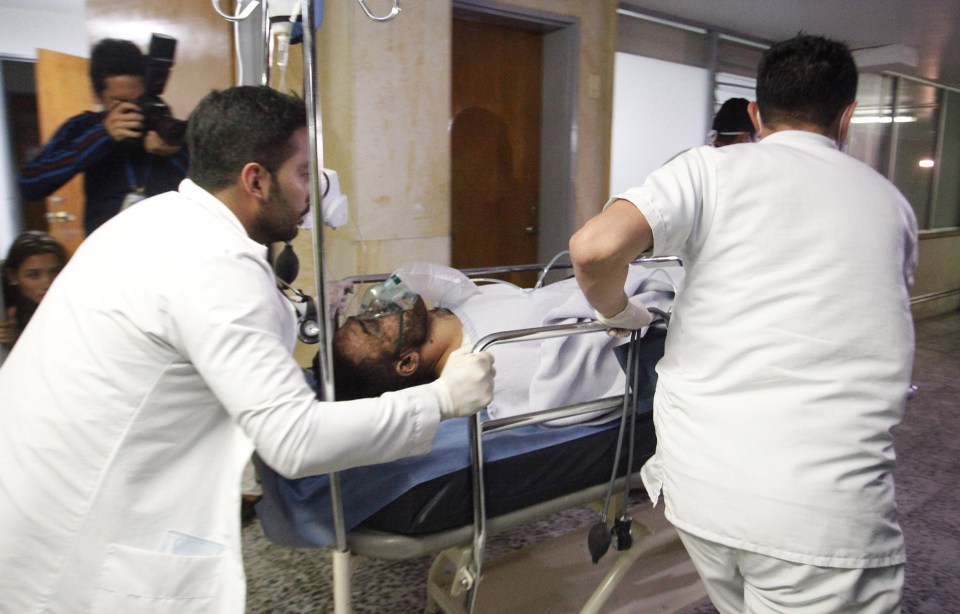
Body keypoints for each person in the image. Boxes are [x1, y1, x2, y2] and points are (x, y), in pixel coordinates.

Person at [0, 86, 494, 613]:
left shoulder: (153, 219)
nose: (313, 192)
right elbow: (296, 441)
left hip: (31, 490)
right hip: (78, 534)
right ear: (255, 179)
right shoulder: (218, 266)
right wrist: (440, 400)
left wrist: (302, 226)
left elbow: (211, 328)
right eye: (305, 174)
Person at [569, 34, 917, 613]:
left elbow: (594, 248)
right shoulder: (893, 207)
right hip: (819, 511)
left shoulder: (709, 170)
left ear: (755, 114)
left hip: (701, 490)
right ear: (847, 117)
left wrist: (620, 313)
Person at [332, 262, 678, 422]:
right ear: (407, 363)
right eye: (373, 327)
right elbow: (566, 380)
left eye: (364, 314)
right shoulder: (490, 361)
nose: (377, 309)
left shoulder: (456, 307)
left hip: (638, 278)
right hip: (662, 310)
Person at [19, 38, 189, 236]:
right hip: (105, 250)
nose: (133, 109)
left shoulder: (163, 124)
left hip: (169, 244)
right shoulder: (83, 127)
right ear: (96, 95)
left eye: (139, 99)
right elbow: (30, 184)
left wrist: (174, 152)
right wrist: (102, 136)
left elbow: (214, 183)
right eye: (120, 101)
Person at [0, 230, 67, 351]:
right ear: (12, 276)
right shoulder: (9, 315)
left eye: (55, 272)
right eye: (33, 275)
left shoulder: (75, 306)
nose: (47, 283)